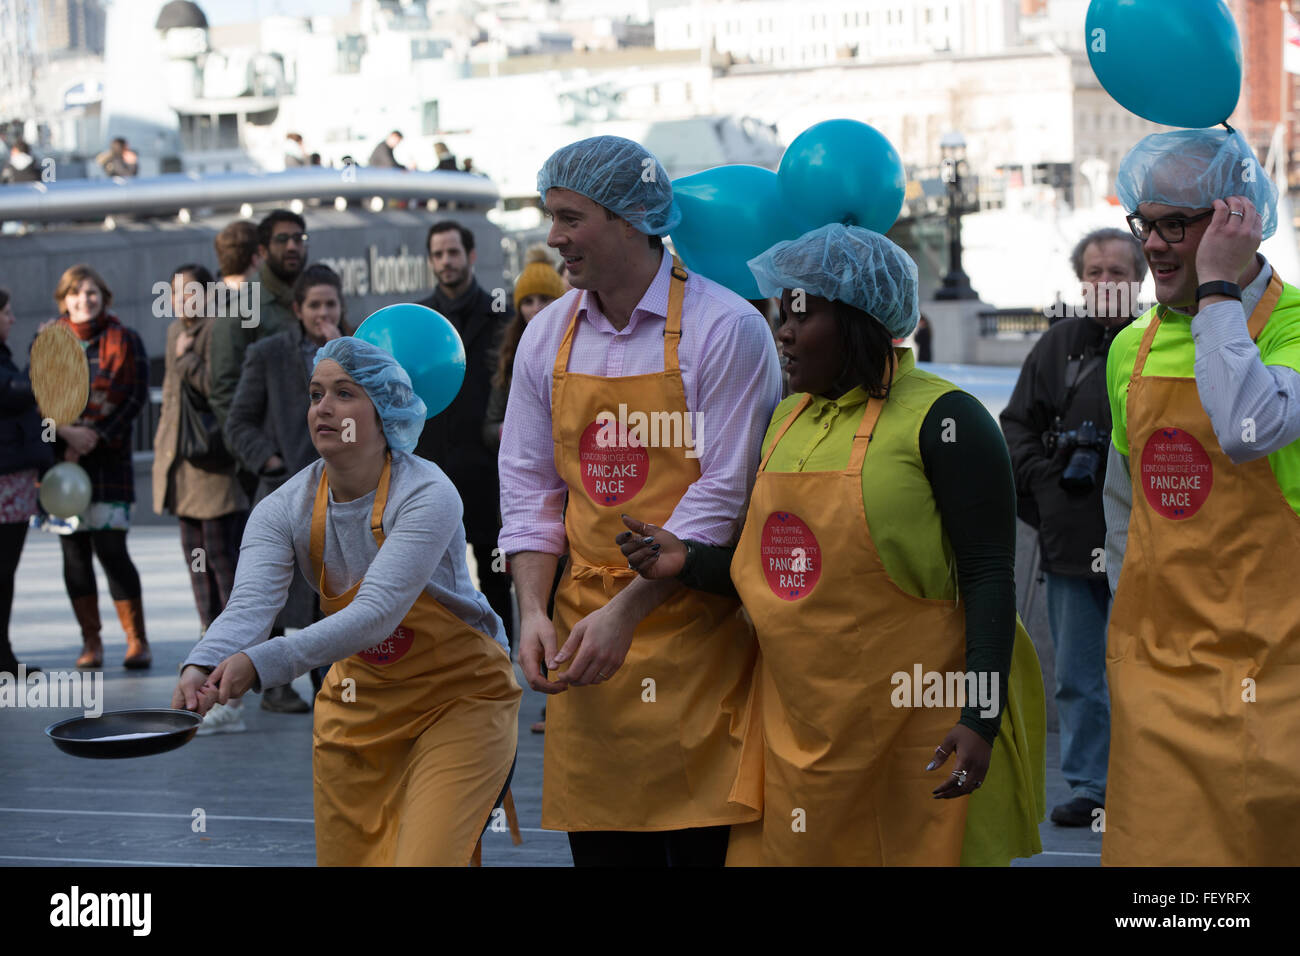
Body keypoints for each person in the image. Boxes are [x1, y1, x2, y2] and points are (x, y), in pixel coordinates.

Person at [619, 225, 1046, 865]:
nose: (782, 332)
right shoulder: (785, 418)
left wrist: (979, 718)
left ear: (860, 317)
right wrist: (688, 561)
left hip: (921, 731)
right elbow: (771, 572)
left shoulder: (948, 421)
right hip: (804, 733)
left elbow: (989, 575)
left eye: (802, 313)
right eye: (778, 313)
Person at [500, 135, 782, 866]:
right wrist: (533, 609)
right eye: (550, 216)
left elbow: (725, 489)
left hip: (694, 628)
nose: (553, 238)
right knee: (604, 853)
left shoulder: (726, 329)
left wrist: (627, 611)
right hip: (584, 635)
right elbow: (530, 489)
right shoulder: (545, 338)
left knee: (699, 847)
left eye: (569, 218)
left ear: (632, 218)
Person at [174, 337, 522, 865]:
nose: (323, 408)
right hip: (359, 711)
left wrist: (261, 663)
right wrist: (204, 660)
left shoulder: (429, 492)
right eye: (316, 394)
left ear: (384, 411)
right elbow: (248, 607)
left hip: (458, 702)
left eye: (344, 393)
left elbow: (376, 614)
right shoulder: (281, 508)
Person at [1103, 127, 1300, 865]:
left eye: (1175, 225)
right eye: (1144, 223)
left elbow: (1252, 424)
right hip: (1160, 683)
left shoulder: (1292, 328)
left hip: (1276, 686)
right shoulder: (1133, 348)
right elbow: (1124, 516)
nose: (1151, 245)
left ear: (1234, 222)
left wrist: (1219, 287)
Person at [1000, 227, 1146, 828]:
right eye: (1095, 272)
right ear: (1081, 281)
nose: (1106, 283)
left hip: (1143, 542)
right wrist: (1047, 480)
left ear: (1139, 279)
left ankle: (1146, 780)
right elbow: (1013, 429)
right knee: (1079, 674)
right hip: (1069, 538)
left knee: (1145, 670)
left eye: (1117, 272)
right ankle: (1090, 784)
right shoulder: (1057, 344)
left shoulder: (1156, 341)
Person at [227, 264, 343, 707]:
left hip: (339, 491)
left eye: (330, 303)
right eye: (314, 304)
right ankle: (271, 684)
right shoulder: (271, 353)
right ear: (298, 308)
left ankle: (327, 683)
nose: (323, 312)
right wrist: (270, 462)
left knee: (329, 593)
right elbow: (239, 421)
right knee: (273, 587)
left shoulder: (355, 351)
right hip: (285, 488)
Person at [38, 266, 150, 669]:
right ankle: (92, 643)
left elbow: (135, 399)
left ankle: (137, 640)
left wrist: (95, 436)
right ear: (63, 299)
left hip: (109, 462)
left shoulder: (127, 340)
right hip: (62, 466)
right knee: (74, 555)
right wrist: (67, 435)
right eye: (75, 294)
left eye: (91, 293)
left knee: (112, 550)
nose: (84, 300)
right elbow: (36, 400)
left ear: (104, 296)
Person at [151, 265, 248, 729]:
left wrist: (187, 360)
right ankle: (206, 680)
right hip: (183, 472)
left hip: (214, 473)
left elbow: (221, 391)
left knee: (224, 575)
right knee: (199, 576)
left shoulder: (219, 329)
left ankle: (230, 689)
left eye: (191, 292)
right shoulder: (176, 331)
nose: (182, 300)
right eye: (175, 293)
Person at [414, 220, 513, 646]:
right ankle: (443, 658)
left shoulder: (500, 316)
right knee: (431, 571)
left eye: (453, 252)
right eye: (438, 254)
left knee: (494, 568)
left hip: (487, 468)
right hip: (431, 466)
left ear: (470, 256)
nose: (446, 262)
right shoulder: (418, 320)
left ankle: (503, 655)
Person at [208, 210, 308, 432]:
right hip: (272, 457)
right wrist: (261, 458)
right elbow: (224, 394)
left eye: (299, 238)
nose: (292, 246)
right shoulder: (242, 308)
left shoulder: (315, 300)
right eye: (282, 239)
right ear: (262, 251)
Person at [0, 287, 53, 675]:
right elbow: (20, 391)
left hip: (14, 483)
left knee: (5, 574)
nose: (12, 319)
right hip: (6, 484)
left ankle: (3, 656)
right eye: (6, 313)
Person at [483, 245, 565, 448]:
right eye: (528, 301)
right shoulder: (509, 352)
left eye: (545, 299)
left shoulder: (577, 344)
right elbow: (490, 427)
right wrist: (509, 430)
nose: (536, 309)